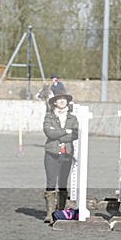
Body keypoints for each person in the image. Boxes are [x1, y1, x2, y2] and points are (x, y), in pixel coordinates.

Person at [42, 93, 79, 224]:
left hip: (66, 154)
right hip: (52, 154)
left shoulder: (73, 118)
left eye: (64, 99)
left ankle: (61, 211)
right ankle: (50, 213)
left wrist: (62, 134)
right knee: (51, 183)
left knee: (63, 183)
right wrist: (66, 131)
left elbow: (75, 134)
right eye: (59, 99)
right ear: (55, 103)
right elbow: (49, 133)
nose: (62, 101)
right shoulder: (49, 117)